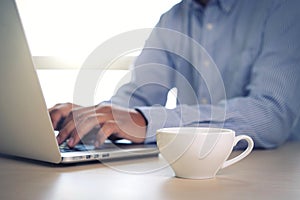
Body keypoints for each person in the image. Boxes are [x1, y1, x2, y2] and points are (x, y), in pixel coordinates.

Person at [49, 0, 300, 149]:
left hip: (268, 173)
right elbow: (139, 95)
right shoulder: (173, 18)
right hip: (186, 171)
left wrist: (147, 122)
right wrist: (97, 115)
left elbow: (272, 114)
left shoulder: (281, 9)